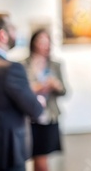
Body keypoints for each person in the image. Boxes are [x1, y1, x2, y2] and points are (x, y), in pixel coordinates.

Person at [0, 13, 44, 171]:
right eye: (12, 28)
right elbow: (35, 110)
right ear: (3, 35)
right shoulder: (11, 69)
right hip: (6, 153)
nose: (16, 32)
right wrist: (39, 101)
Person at [22, 29, 67, 171]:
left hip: (49, 115)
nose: (45, 46)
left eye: (47, 42)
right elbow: (19, 90)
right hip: (30, 116)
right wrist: (35, 88)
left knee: (42, 156)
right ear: (34, 43)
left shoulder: (55, 65)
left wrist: (56, 85)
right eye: (41, 42)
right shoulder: (23, 64)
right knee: (36, 156)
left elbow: (64, 91)